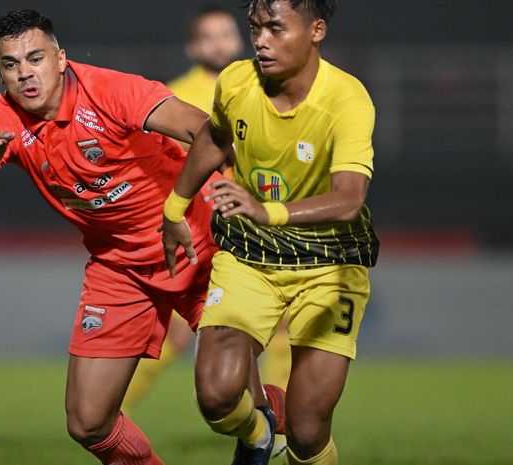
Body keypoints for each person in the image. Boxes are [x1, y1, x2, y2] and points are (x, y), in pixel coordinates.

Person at [0, 9, 217, 465]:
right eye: (11, 65)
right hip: (118, 266)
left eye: (35, 58)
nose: (25, 74)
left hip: (194, 243)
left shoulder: (112, 90)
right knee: (88, 421)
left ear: (61, 58)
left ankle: (278, 426)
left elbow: (206, 130)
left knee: (221, 399)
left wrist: (192, 202)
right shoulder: (2, 119)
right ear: (1, 73)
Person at [161, 1, 379, 465]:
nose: (261, 39)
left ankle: (287, 432)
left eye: (275, 28)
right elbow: (215, 137)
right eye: (256, 28)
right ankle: (260, 432)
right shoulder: (237, 81)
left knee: (307, 429)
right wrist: (175, 206)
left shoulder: (347, 98)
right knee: (217, 396)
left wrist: (268, 211)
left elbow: (350, 198)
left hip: (330, 265)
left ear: (316, 30)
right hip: (249, 257)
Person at [123, 8, 291, 456]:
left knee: (281, 330)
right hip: (204, 234)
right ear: (193, 48)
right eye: (208, 37)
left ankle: (278, 422)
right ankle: (114, 413)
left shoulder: (262, 85)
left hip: (261, 225)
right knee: (177, 335)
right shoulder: (176, 97)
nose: (219, 42)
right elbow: (169, 171)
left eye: (226, 33)